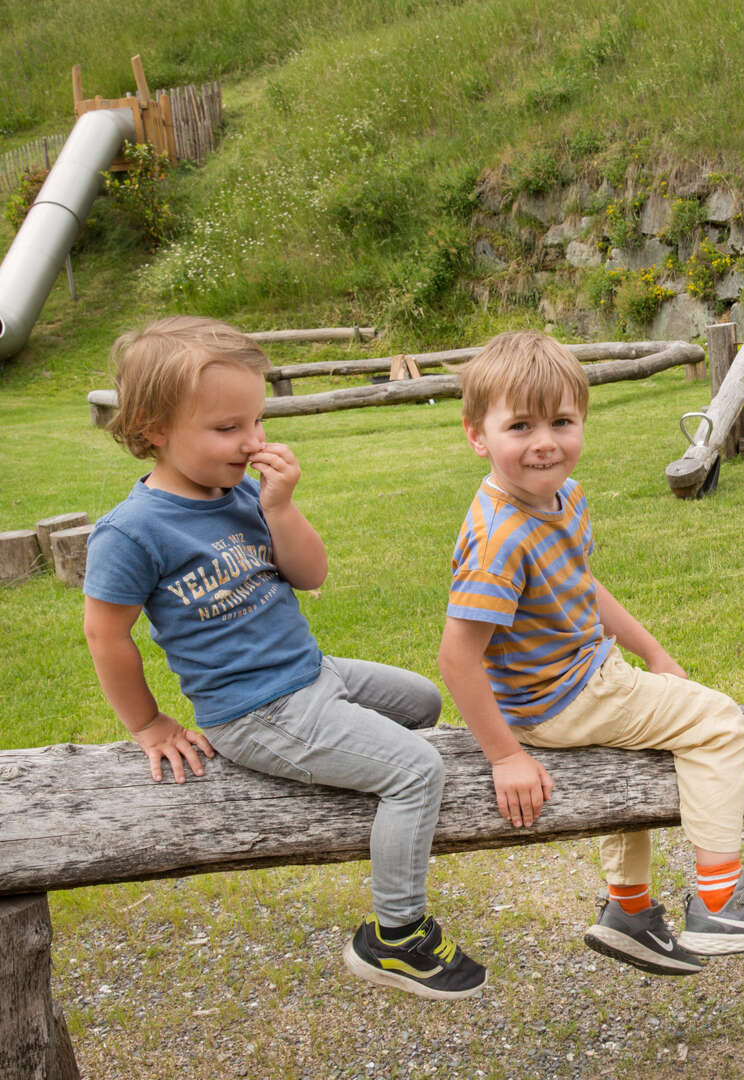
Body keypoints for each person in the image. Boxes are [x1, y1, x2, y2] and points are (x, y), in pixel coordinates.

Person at [82, 316, 487, 1000]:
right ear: (153, 427)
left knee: (421, 701)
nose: (253, 441)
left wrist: (281, 506)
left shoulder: (243, 492)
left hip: (312, 674)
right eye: (226, 428)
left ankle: (357, 765)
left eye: (258, 421)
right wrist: (149, 724)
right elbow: (105, 635)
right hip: (256, 713)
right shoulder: (132, 532)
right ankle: (395, 937)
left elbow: (310, 574)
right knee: (418, 770)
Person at [437, 330, 744, 978]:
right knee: (719, 723)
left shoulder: (561, 498)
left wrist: (651, 650)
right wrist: (506, 756)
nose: (545, 442)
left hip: (577, 677)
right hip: (559, 698)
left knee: (639, 752)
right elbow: (457, 659)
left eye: (562, 421)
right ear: (477, 435)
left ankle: (629, 911)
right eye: (520, 426)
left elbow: (581, 585)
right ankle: (721, 900)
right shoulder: (500, 536)